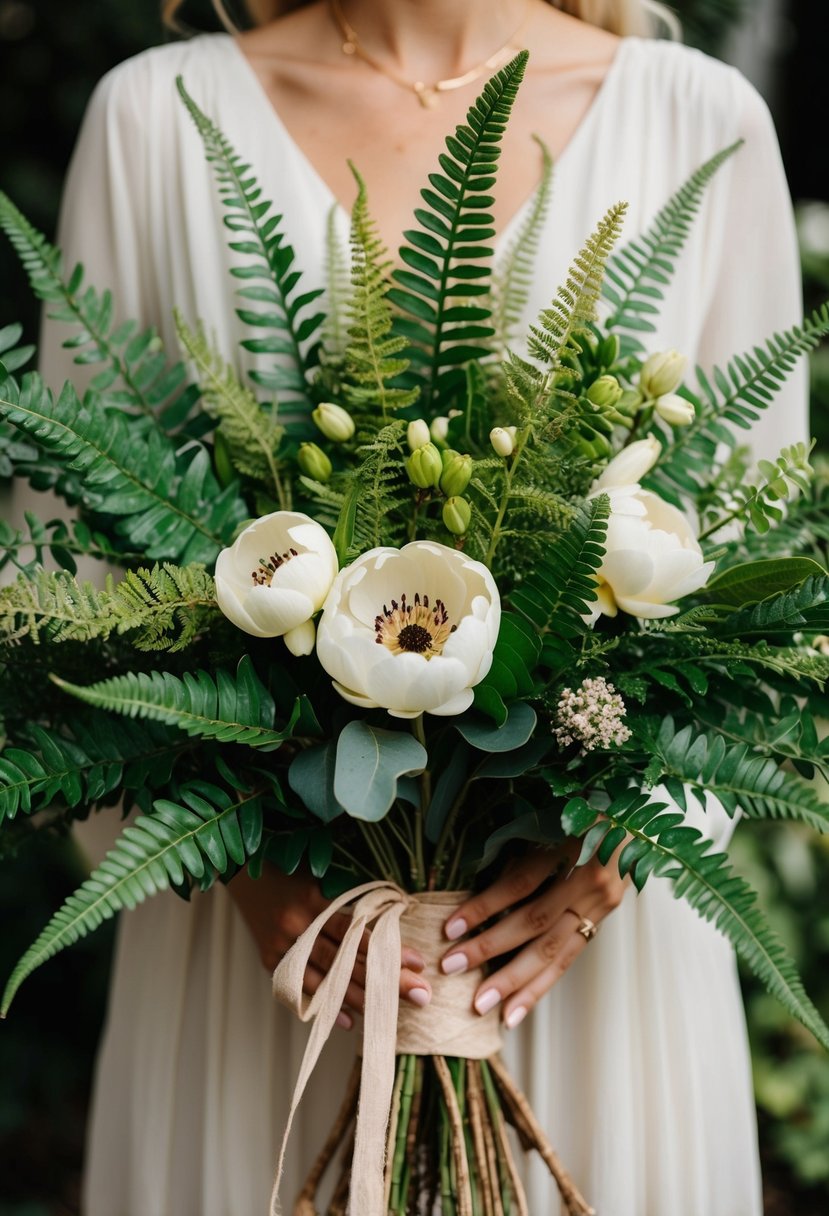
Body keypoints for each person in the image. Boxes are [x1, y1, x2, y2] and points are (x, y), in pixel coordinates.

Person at [31, 1, 808, 1213]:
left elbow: (765, 580)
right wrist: (233, 863)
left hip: (578, 970)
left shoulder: (698, 122)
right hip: (267, 966)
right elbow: (65, 587)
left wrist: (614, 854)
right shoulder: (157, 121)